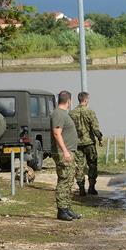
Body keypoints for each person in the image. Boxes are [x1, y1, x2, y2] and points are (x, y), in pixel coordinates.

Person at [51, 91, 81, 222]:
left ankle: (67, 207)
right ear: (69, 101)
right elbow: (57, 133)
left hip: (68, 151)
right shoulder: (58, 114)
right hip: (64, 153)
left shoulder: (63, 114)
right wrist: (65, 151)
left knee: (69, 180)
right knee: (64, 181)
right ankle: (62, 210)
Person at [70, 92, 103, 196]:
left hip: (77, 144)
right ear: (85, 100)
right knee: (92, 164)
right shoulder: (90, 112)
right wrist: (100, 138)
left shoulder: (71, 113)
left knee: (79, 166)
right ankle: (91, 187)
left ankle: (81, 188)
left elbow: (69, 129)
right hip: (89, 144)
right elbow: (95, 128)